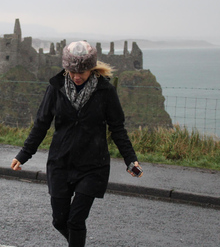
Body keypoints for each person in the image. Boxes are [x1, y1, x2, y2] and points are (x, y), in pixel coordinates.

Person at [11, 41, 143, 247]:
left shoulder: (105, 91)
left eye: (82, 71)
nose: (76, 76)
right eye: (72, 71)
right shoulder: (55, 88)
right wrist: (23, 155)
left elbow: (118, 129)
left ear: (91, 68)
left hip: (92, 166)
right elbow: (41, 124)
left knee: (76, 220)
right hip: (60, 163)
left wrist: (131, 160)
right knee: (59, 221)